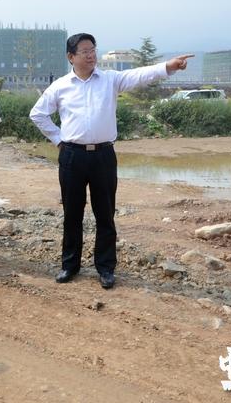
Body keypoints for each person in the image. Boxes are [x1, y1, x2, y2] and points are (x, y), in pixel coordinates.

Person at [29, 33, 192, 289]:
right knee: (72, 213)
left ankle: (105, 268)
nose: (91, 55)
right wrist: (59, 140)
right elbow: (37, 114)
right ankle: (69, 265)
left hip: (103, 155)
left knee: (105, 214)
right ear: (71, 57)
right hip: (72, 156)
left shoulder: (110, 80)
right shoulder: (60, 86)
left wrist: (168, 67)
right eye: (85, 51)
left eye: (93, 49)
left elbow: (139, 75)